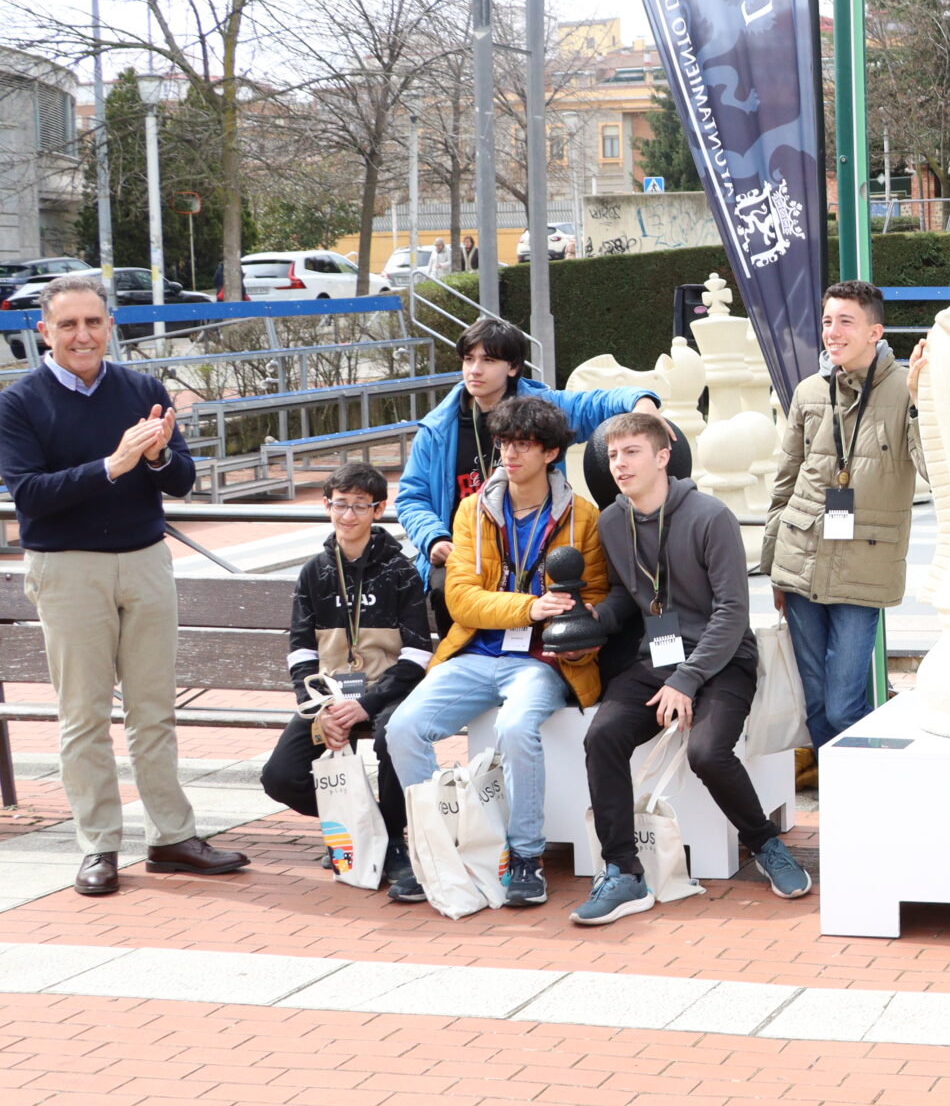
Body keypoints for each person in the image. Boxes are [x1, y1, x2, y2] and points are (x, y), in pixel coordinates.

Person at [0, 275, 250, 896]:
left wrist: (160, 455)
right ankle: (99, 846)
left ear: (110, 325)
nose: (82, 335)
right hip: (67, 569)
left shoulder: (142, 389)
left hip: (144, 561)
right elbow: (28, 494)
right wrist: (113, 465)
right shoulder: (19, 402)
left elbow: (183, 481)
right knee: (82, 715)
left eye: (93, 322)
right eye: (68, 325)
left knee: (153, 710)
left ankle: (171, 836)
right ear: (44, 332)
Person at [576, 411, 807, 924]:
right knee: (602, 737)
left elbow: (731, 614)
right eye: (613, 455)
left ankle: (765, 845)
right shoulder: (612, 522)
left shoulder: (710, 516)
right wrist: (597, 617)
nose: (619, 464)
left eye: (632, 452)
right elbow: (623, 596)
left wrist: (688, 678)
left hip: (723, 660)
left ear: (662, 457)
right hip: (657, 657)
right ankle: (623, 871)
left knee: (706, 750)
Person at [382, 396, 609, 909]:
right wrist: (531, 608)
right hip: (474, 653)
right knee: (404, 727)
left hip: (541, 661)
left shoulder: (584, 517)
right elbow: (460, 598)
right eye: (504, 443)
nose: (510, 454)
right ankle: (436, 851)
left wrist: (571, 622)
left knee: (514, 727)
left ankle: (525, 856)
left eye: (523, 444)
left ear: (551, 452)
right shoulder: (472, 511)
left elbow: (593, 599)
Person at [394, 317, 655, 624]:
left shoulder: (543, 409)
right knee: (444, 590)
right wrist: (434, 539)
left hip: (537, 543)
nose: (474, 369)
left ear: (513, 367)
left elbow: (602, 402)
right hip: (467, 551)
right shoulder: (437, 428)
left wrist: (645, 405)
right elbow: (412, 497)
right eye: (468, 359)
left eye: (488, 360)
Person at [764, 279, 925, 755]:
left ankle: (870, 802)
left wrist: (920, 402)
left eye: (846, 322)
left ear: (876, 331)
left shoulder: (904, 390)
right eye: (828, 321)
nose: (832, 332)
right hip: (800, 558)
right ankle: (839, 803)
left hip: (865, 566)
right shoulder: (809, 391)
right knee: (814, 703)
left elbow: (934, 468)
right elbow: (784, 483)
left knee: (842, 705)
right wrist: (774, 564)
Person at [264, 464, 433, 901]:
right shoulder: (313, 572)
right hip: (329, 699)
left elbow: (418, 654)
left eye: (361, 506)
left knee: (394, 735)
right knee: (279, 777)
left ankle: (392, 838)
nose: (349, 515)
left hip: (389, 694)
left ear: (378, 510)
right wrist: (320, 707)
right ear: (326, 506)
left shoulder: (400, 571)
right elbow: (300, 651)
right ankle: (365, 826)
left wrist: (367, 705)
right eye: (341, 504)